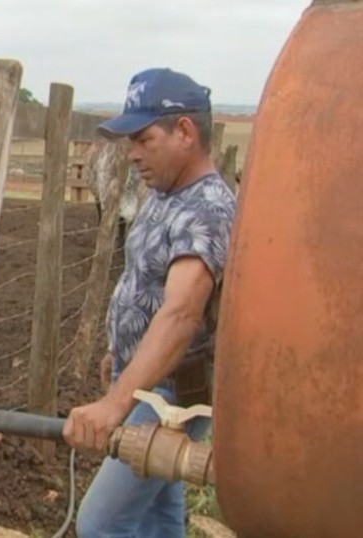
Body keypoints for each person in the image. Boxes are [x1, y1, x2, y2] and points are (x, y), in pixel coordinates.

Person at [62, 68, 238, 537]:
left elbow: (181, 314)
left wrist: (116, 402)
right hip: (147, 379)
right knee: (159, 515)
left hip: (171, 396)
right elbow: (146, 282)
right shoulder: (165, 193)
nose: (133, 154)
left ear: (184, 131)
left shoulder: (208, 208)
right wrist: (120, 354)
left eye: (143, 139)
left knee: (101, 523)